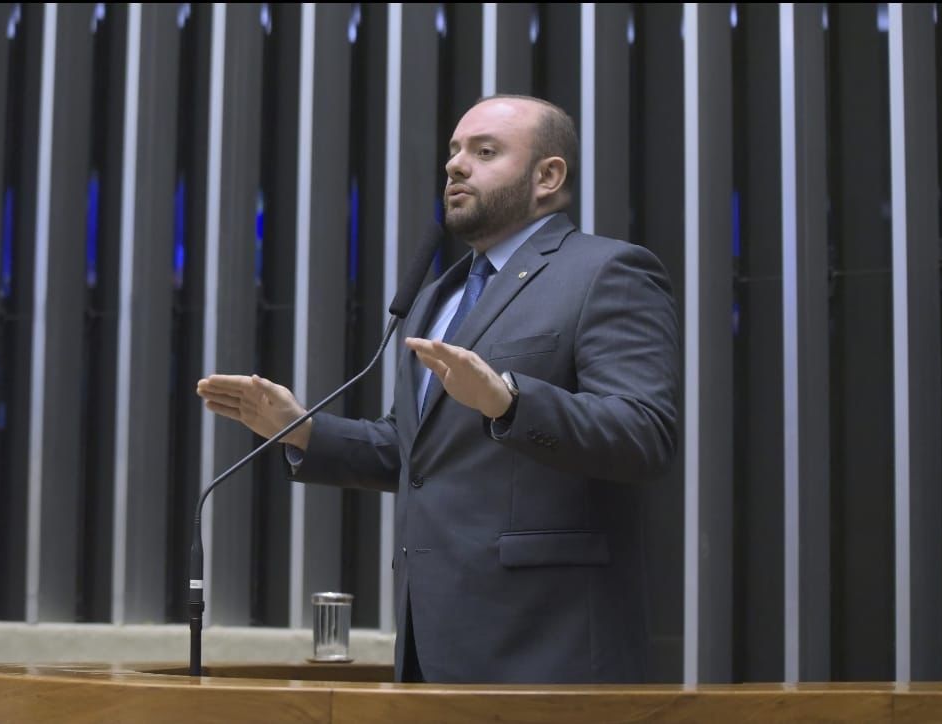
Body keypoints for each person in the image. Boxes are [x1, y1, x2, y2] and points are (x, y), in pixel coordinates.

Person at [197, 95, 679, 684]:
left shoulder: (607, 272)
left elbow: (643, 434)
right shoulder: (437, 297)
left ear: (548, 176)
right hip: (429, 640)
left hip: (548, 645)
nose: (455, 165)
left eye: (485, 151)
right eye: (454, 151)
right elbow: (417, 453)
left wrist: (510, 402)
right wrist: (303, 431)